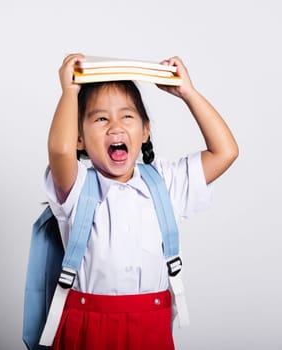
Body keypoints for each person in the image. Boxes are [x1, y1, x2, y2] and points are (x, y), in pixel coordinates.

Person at [44, 53, 238, 349]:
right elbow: (59, 149)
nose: (115, 126)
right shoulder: (76, 187)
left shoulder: (166, 183)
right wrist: (70, 92)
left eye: (127, 116)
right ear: (79, 139)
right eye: (100, 118)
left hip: (150, 329)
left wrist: (188, 92)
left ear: (145, 131)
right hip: (86, 329)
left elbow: (225, 151)